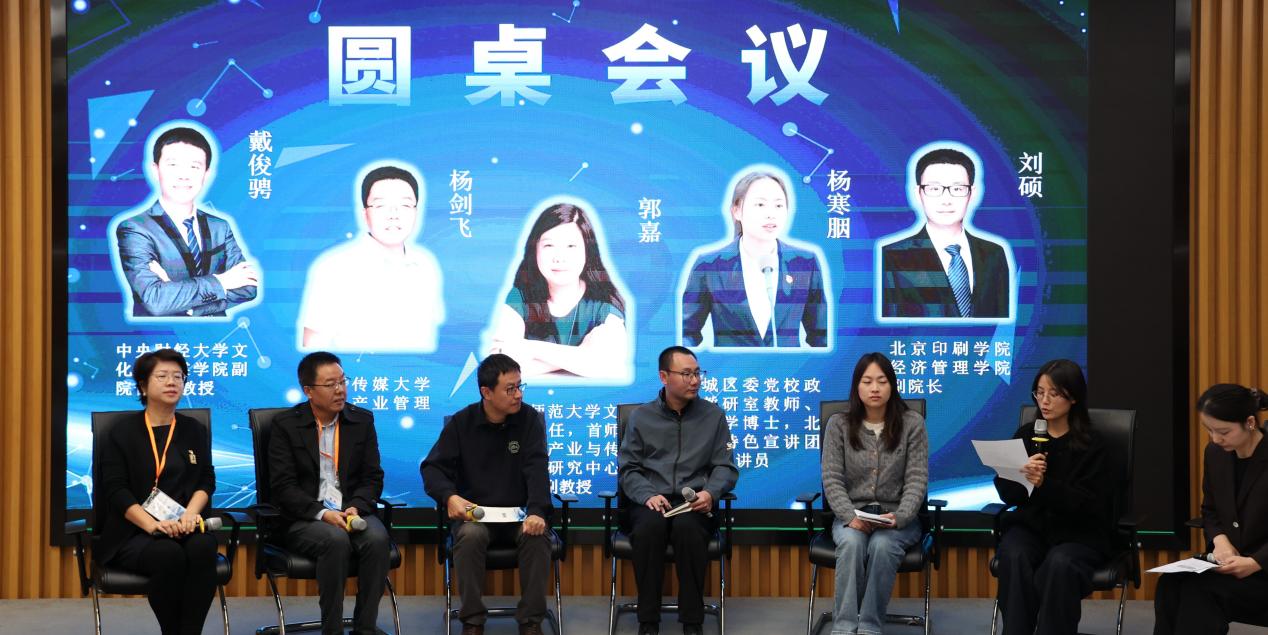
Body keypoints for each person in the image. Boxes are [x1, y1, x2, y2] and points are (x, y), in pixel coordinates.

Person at [421, 354, 553, 635]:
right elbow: (432, 469)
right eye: (510, 389)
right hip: (476, 516)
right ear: (486, 392)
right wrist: (449, 497)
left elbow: (537, 469)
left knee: (537, 537)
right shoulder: (462, 423)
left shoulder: (529, 420)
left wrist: (537, 511)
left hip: (519, 516)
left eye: (520, 386)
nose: (518, 394)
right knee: (470, 536)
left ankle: (531, 621)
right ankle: (472, 621)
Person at [268, 351, 391, 635]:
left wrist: (357, 506)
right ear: (308, 391)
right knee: (334, 540)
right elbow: (283, 487)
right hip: (304, 517)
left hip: (351, 511)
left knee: (377, 538)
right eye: (330, 384)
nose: (340, 390)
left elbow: (372, 477)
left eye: (342, 381)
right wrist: (323, 513)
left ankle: (365, 628)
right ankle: (332, 629)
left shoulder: (361, 421)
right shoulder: (286, 425)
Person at [619, 346, 739, 635]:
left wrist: (710, 493)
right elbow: (628, 469)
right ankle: (648, 621)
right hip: (651, 501)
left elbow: (725, 467)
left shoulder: (713, 416)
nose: (695, 380)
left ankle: (692, 622)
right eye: (686, 374)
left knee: (688, 529)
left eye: (697, 373)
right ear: (664, 377)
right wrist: (647, 494)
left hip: (694, 503)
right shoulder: (641, 417)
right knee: (649, 528)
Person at [97, 348, 218, 634]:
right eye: (162, 376)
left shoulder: (193, 429)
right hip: (134, 531)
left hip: (183, 526)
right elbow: (116, 490)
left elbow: (206, 479)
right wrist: (153, 526)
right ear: (142, 386)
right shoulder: (121, 432)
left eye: (178, 376)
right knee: (168, 555)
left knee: (203, 547)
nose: (172, 382)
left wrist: (190, 515)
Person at [993, 359, 1110, 635]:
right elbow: (1009, 494)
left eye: (1054, 394)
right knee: (1014, 553)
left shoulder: (1093, 444)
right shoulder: (1026, 435)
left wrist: (1044, 484)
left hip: (1078, 534)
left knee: (1059, 564)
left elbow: (1088, 505)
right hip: (1032, 527)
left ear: (1073, 397)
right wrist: (1019, 476)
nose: (1044, 401)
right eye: (1039, 392)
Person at [821, 352, 928, 635]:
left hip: (897, 517)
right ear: (857, 386)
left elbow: (917, 479)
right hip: (852, 514)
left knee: (882, 546)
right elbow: (831, 478)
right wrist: (849, 516)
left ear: (892, 385)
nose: (875, 388)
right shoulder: (839, 425)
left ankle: (870, 625)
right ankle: (844, 627)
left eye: (882, 381)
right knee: (852, 544)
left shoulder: (912, 423)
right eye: (867, 381)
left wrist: (901, 516)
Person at [1154, 384, 1268, 633]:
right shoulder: (1216, 454)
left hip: (1262, 570)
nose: (1215, 439)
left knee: (1201, 591)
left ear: (1250, 423)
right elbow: (1210, 510)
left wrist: (1255, 562)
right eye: (1210, 430)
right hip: (1231, 564)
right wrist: (1220, 540)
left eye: (1223, 431)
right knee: (1170, 584)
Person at [114, 126, 259, 318]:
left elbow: (248, 288)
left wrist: (191, 307)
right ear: (155, 170)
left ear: (206, 174)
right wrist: (222, 282)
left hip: (215, 332)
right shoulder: (135, 228)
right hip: (161, 333)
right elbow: (155, 301)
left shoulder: (220, 227)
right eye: (173, 165)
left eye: (194, 167)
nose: (183, 175)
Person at [299, 164, 444, 352]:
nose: (394, 215)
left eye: (405, 205)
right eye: (381, 205)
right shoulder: (334, 267)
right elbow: (314, 345)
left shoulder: (426, 265)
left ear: (416, 211)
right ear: (365, 214)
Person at [681, 170, 829, 348]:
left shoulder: (804, 263)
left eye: (778, 205)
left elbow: (822, 335)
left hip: (789, 367)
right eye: (760, 204)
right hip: (733, 366)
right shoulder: (710, 266)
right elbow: (686, 333)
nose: (771, 214)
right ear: (737, 211)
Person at [487, 202, 629, 378]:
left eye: (571, 246)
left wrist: (528, 348)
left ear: (588, 251)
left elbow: (610, 363)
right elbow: (501, 367)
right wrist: (583, 355)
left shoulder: (604, 302)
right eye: (549, 245)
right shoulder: (521, 296)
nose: (559, 258)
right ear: (534, 250)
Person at [879, 147, 1010, 319]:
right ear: (918, 193)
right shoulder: (893, 256)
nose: (946, 200)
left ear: (972, 193)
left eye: (957, 189)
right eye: (934, 189)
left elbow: (1003, 322)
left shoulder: (994, 253)